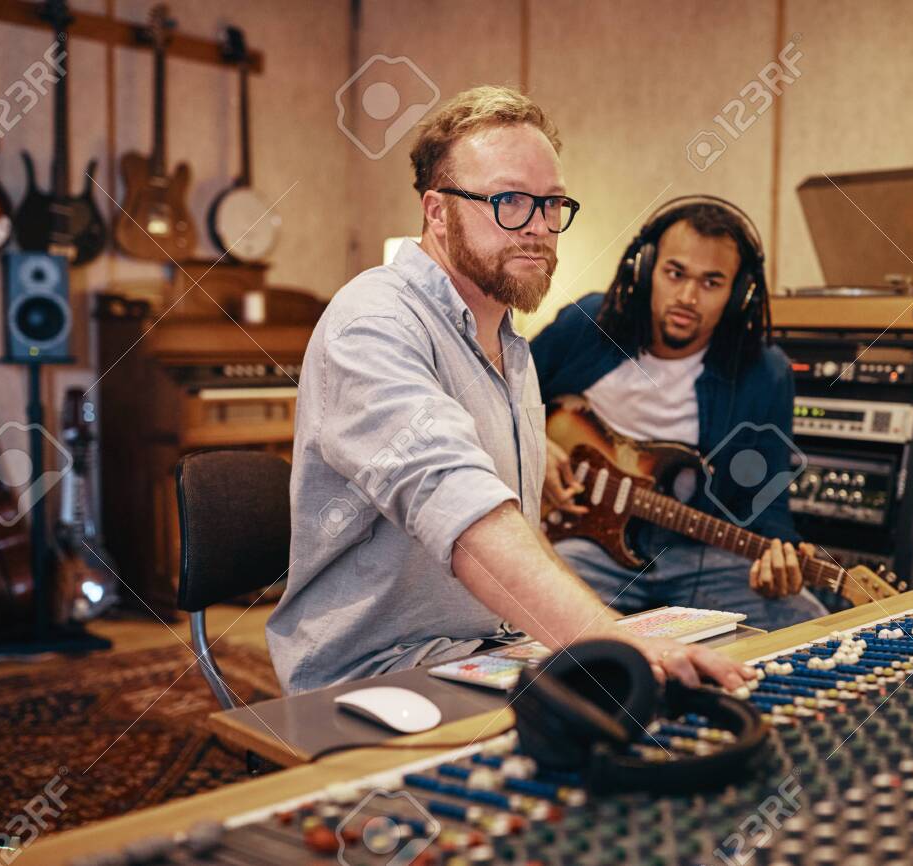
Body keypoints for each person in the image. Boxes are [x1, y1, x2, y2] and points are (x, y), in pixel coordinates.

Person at [266, 87, 754, 695]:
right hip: (373, 672)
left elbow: (518, 530)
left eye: (552, 205)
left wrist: (613, 636)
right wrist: (620, 642)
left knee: (709, 694)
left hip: (487, 649)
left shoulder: (511, 345)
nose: (540, 230)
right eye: (509, 202)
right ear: (437, 212)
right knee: (624, 731)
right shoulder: (374, 323)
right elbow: (462, 512)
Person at [530, 197, 828, 632]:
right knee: (526, 616)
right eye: (675, 274)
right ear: (647, 267)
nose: (688, 297)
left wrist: (780, 554)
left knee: (805, 623)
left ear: (738, 291)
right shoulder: (589, 324)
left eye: (711, 282)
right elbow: (493, 395)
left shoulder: (766, 373)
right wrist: (538, 445)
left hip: (695, 552)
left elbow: (768, 504)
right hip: (577, 539)